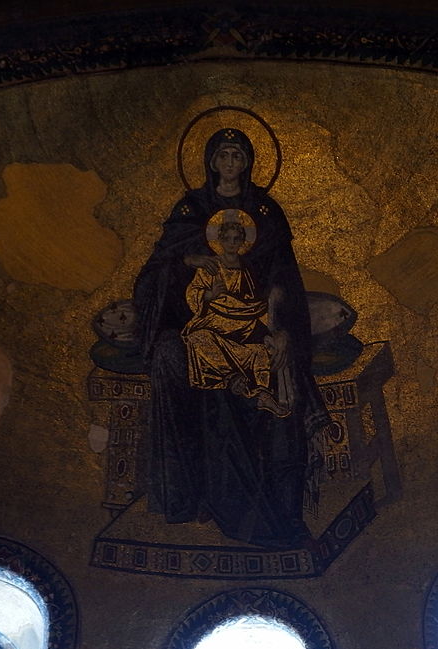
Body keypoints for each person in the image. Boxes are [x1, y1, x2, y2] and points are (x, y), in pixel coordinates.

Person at [133, 127, 328, 549]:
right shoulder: (190, 210)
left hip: (256, 325)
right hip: (200, 326)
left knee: (280, 374)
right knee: (172, 356)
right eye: (223, 155)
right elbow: (154, 276)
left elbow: (283, 279)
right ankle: (187, 493)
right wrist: (188, 260)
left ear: (249, 163)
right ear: (209, 161)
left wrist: (278, 325)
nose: (230, 163)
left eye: (238, 156)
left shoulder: (266, 211)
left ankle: (285, 513)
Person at [182, 213, 290, 418]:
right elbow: (193, 291)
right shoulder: (211, 266)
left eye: (236, 239)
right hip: (215, 321)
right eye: (227, 238)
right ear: (220, 240)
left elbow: (253, 302)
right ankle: (231, 378)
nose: (232, 243)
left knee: (259, 351)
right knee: (197, 339)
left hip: (244, 322)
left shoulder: (247, 268)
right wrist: (209, 295)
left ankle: (264, 396)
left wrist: (268, 328)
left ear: (242, 241)